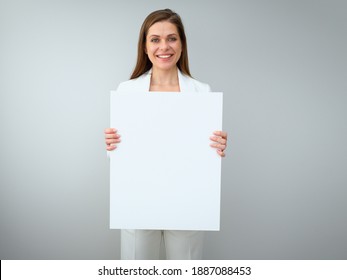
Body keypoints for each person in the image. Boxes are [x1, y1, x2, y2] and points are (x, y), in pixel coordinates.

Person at [104, 8, 228, 260]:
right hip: (137, 197)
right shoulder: (126, 92)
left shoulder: (202, 93)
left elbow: (204, 157)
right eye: (155, 39)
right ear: (145, 46)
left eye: (172, 38)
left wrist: (217, 148)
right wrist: (112, 146)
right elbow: (119, 157)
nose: (164, 46)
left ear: (182, 44)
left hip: (187, 199)